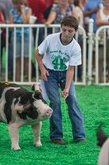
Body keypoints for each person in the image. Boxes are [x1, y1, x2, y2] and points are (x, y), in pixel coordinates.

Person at [35, 16, 86, 144]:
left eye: (70, 31)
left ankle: (79, 136)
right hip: (50, 72)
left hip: (65, 73)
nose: (66, 33)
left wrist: (67, 88)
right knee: (55, 102)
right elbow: (38, 52)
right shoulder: (50, 39)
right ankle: (56, 136)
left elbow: (71, 69)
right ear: (61, 28)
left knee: (72, 100)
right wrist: (42, 69)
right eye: (64, 30)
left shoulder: (76, 47)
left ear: (75, 32)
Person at [8, 0, 32, 81]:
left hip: (27, 35)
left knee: (27, 57)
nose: (18, 5)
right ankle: (17, 78)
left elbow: (25, 21)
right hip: (16, 35)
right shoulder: (11, 12)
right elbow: (11, 25)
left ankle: (29, 78)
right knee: (17, 58)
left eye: (20, 3)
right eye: (16, 3)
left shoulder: (28, 10)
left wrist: (22, 11)